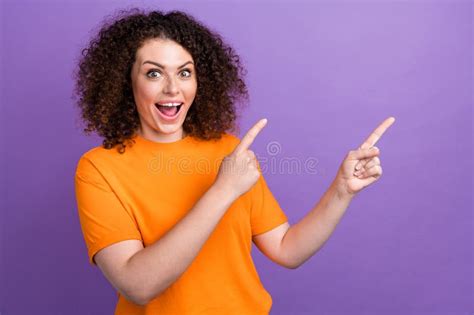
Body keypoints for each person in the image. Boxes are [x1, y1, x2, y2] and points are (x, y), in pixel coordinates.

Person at [74, 8, 395, 315]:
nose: (173, 88)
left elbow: (287, 248)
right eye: (154, 73)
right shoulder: (99, 169)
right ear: (126, 82)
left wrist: (341, 191)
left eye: (185, 72)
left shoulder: (229, 152)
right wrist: (223, 189)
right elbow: (137, 285)